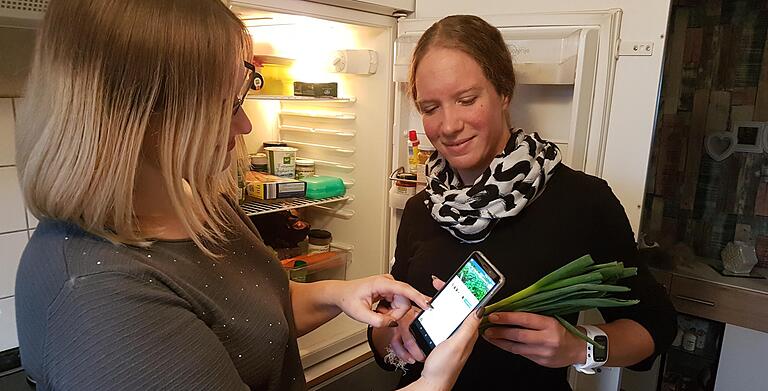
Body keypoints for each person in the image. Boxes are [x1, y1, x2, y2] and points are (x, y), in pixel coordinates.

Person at [13, 1, 480, 390]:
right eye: (227, 104)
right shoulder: (101, 303)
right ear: (142, 116)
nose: (245, 126)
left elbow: (251, 320)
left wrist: (340, 293)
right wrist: (430, 385)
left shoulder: (200, 203)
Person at [369, 15, 677, 390]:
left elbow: (656, 325)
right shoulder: (423, 208)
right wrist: (396, 338)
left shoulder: (583, 201)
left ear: (503, 92)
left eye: (466, 100)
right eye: (430, 107)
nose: (448, 125)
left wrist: (579, 346)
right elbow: (384, 328)